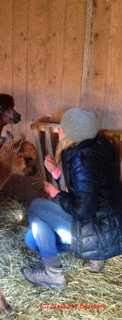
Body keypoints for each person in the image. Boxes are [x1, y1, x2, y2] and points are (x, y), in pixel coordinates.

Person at [22, 108, 122, 290]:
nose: (59, 130)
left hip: (98, 233)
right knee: (33, 237)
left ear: (72, 133)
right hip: (109, 230)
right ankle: (95, 258)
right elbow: (87, 190)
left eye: (62, 127)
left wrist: (55, 193)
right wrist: (56, 172)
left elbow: (83, 210)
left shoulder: (82, 161)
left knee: (37, 212)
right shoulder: (96, 149)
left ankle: (52, 274)